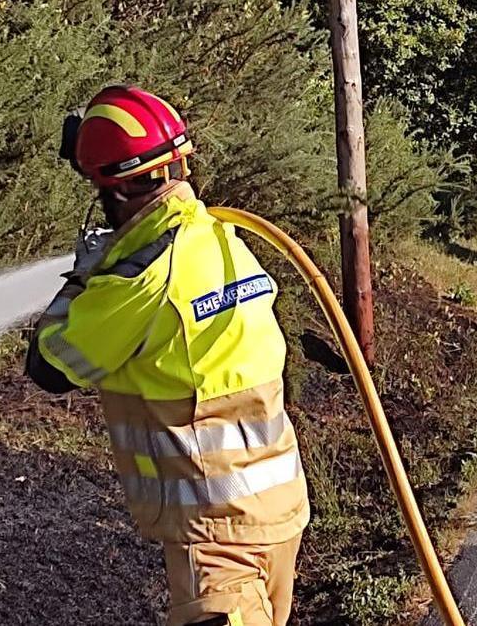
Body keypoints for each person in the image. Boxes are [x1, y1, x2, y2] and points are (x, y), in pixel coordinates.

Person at [25, 85, 309, 626]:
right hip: (277, 514)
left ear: (118, 189)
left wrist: (83, 278)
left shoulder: (139, 277)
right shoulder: (222, 237)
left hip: (216, 539)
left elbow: (50, 365)